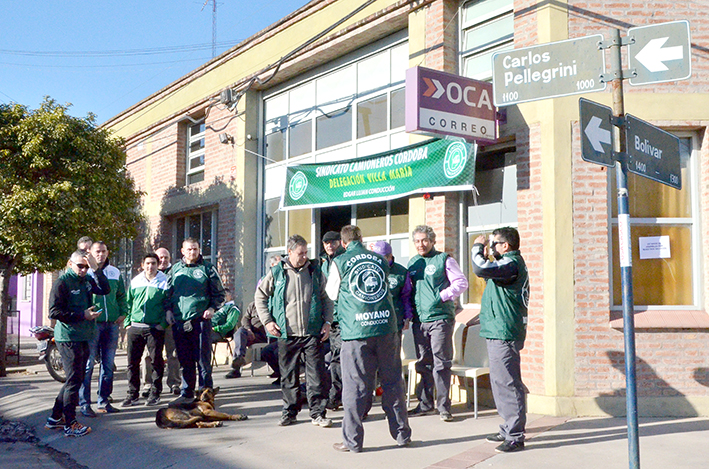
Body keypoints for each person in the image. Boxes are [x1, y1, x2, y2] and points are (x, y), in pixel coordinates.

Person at [326, 226, 411, 453]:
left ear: (344, 243)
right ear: (361, 239)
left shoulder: (340, 261)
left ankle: (352, 441)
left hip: (357, 331)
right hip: (386, 327)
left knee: (355, 386)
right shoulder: (380, 259)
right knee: (393, 382)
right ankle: (402, 434)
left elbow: (332, 293)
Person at [255, 234, 333, 428]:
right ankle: (289, 412)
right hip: (286, 333)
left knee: (316, 375)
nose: (304, 256)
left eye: (306, 253)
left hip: (311, 333)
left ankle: (318, 413)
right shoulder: (276, 273)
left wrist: (328, 322)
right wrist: (267, 322)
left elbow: (327, 298)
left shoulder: (315, 272)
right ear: (289, 252)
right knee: (288, 376)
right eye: (300, 253)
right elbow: (260, 297)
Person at [471, 227, 529, 453]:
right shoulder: (506, 264)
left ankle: (515, 435)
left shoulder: (511, 265)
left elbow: (479, 268)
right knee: (499, 381)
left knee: (508, 382)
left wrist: (477, 247)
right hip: (497, 330)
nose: (492, 248)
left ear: (506, 246)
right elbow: (490, 268)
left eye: (495, 244)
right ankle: (507, 427)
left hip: (504, 332)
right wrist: (489, 253)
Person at [45, 250, 109, 437]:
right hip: (68, 337)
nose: (83, 270)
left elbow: (105, 289)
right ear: (69, 264)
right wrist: (83, 315)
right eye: (80, 266)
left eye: (86, 267)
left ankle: (56, 417)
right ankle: (70, 422)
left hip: (84, 335)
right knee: (73, 379)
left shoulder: (87, 280)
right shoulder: (62, 283)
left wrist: (96, 271)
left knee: (77, 378)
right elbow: (54, 312)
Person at [407, 225, 468, 422]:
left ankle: (444, 407)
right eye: (417, 241)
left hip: (440, 318)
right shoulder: (413, 263)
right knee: (423, 362)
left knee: (441, 363)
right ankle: (425, 404)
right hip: (420, 320)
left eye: (424, 240)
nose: (421, 244)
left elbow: (461, 283)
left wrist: (441, 296)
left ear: (433, 241)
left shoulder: (444, 259)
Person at [167, 238, 226, 406]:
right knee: (185, 359)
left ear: (199, 250)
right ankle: (187, 392)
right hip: (179, 321)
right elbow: (167, 294)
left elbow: (220, 294)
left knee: (202, 359)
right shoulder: (175, 270)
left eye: (195, 249)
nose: (192, 252)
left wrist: (212, 308)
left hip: (200, 320)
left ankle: (206, 392)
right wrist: (168, 311)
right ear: (182, 251)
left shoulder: (208, 268)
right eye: (189, 249)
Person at [79, 241, 127, 417]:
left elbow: (121, 295)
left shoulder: (115, 272)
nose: (101, 255)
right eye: (97, 251)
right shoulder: (85, 271)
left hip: (112, 325)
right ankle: (84, 403)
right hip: (92, 325)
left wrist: (123, 313)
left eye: (104, 251)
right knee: (88, 364)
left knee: (107, 365)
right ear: (90, 253)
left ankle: (104, 401)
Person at [123, 253, 171, 407]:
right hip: (135, 328)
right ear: (142, 264)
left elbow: (169, 304)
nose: (150, 267)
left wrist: (162, 325)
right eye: (148, 263)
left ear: (158, 265)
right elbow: (128, 303)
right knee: (132, 363)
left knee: (156, 362)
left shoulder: (165, 281)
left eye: (153, 263)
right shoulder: (136, 281)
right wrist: (127, 323)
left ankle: (155, 393)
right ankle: (132, 394)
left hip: (154, 328)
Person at [142, 247, 181, 397]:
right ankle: (148, 384)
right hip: (151, 323)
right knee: (148, 355)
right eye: (161, 258)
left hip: (170, 321)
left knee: (173, 353)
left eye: (166, 257)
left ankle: (174, 383)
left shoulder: (174, 274)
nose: (163, 260)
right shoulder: (146, 276)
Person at [320, 230, 345, 410]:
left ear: (340, 242)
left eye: (333, 242)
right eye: (326, 242)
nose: (329, 245)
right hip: (330, 320)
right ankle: (336, 396)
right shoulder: (322, 264)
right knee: (334, 359)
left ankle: (338, 396)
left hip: (344, 317)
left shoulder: (343, 260)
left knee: (340, 359)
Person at [225, 301, 279, 381]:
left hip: (266, 334)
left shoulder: (272, 304)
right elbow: (245, 318)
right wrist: (248, 329)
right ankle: (238, 361)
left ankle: (278, 370)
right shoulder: (253, 305)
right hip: (252, 334)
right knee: (240, 331)